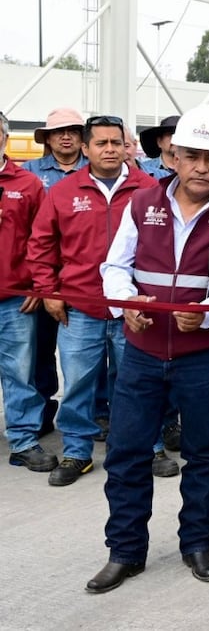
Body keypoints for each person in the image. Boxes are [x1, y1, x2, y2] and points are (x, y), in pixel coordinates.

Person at [87, 105, 209, 593]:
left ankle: (197, 543)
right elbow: (115, 267)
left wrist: (207, 313)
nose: (202, 167)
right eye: (193, 156)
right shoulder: (142, 204)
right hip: (141, 353)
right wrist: (127, 305)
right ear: (174, 156)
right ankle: (125, 551)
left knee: (204, 454)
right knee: (126, 453)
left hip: (205, 356)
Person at [28, 114, 168, 487]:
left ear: (126, 147)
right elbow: (41, 244)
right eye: (101, 143)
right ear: (86, 148)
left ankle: (149, 448)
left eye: (116, 142)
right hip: (80, 308)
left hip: (134, 309)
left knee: (138, 383)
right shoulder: (63, 192)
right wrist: (48, 291)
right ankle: (77, 452)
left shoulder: (149, 189)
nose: (110, 149)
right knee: (77, 384)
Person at [21, 107, 88, 438]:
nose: (65, 137)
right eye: (59, 132)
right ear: (47, 138)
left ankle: (97, 412)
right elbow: (24, 233)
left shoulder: (96, 170)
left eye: (73, 131)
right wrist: (37, 283)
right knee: (40, 351)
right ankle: (42, 412)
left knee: (91, 354)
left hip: (85, 278)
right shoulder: (29, 173)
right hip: (43, 276)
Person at [0, 112, 56, 473]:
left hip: (14, 298)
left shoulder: (28, 183)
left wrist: (39, 284)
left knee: (19, 372)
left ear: (4, 137)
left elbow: (43, 239)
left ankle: (22, 440)